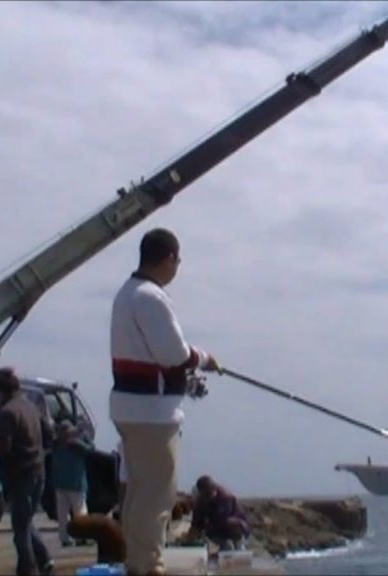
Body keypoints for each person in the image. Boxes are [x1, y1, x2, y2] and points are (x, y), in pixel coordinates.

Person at [109, 228, 220, 576]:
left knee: (138, 492)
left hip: (130, 409)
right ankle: (147, 566)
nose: (178, 267)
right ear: (169, 258)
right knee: (157, 496)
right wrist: (205, 358)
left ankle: (135, 562)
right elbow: (173, 353)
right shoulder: (151, 297)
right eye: (178, 260)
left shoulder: (126, 294)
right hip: (153, 415)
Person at [0, 367, 55, 576]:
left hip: (19, 474)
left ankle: (29, 569)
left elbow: (4, 447)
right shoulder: (31, 407)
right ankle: (46, 563)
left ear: (0, 391)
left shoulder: (7, 412)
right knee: (26, 523)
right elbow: (49, 434)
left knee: (20, 530)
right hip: (39, 471)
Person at [52, 420, 93, 547]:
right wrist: (84, 435)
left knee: (62, 513)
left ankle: (65, 538)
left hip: (60, 482)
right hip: (76, 483)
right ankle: (82, 536)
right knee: (80, 511)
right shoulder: (76, 444)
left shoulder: (56, 443)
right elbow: (90, 450)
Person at [181, 476, 250, 551]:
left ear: (214, 489)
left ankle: (239, 546)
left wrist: (206, 528)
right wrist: (188, 541)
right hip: (217, 529)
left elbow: (222, 520)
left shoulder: (226, 498)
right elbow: (196, 524)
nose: (206, 498)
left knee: (229, 523)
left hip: (236, 527)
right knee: (208, 532)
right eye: (204, 495)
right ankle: (224, 547)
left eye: (208, 494)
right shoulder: (201, 501)